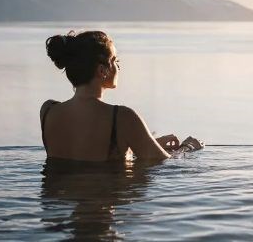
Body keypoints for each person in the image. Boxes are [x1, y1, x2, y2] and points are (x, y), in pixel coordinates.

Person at [41, 30, 202, 161]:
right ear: (102, 70)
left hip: (58, 199)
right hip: (104, 196)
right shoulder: (122, 117)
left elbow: (85, 152)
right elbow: (165, 163)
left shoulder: (48, 111)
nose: (118, 67)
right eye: (115, 61)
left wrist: (149, 143)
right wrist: (188, 148)